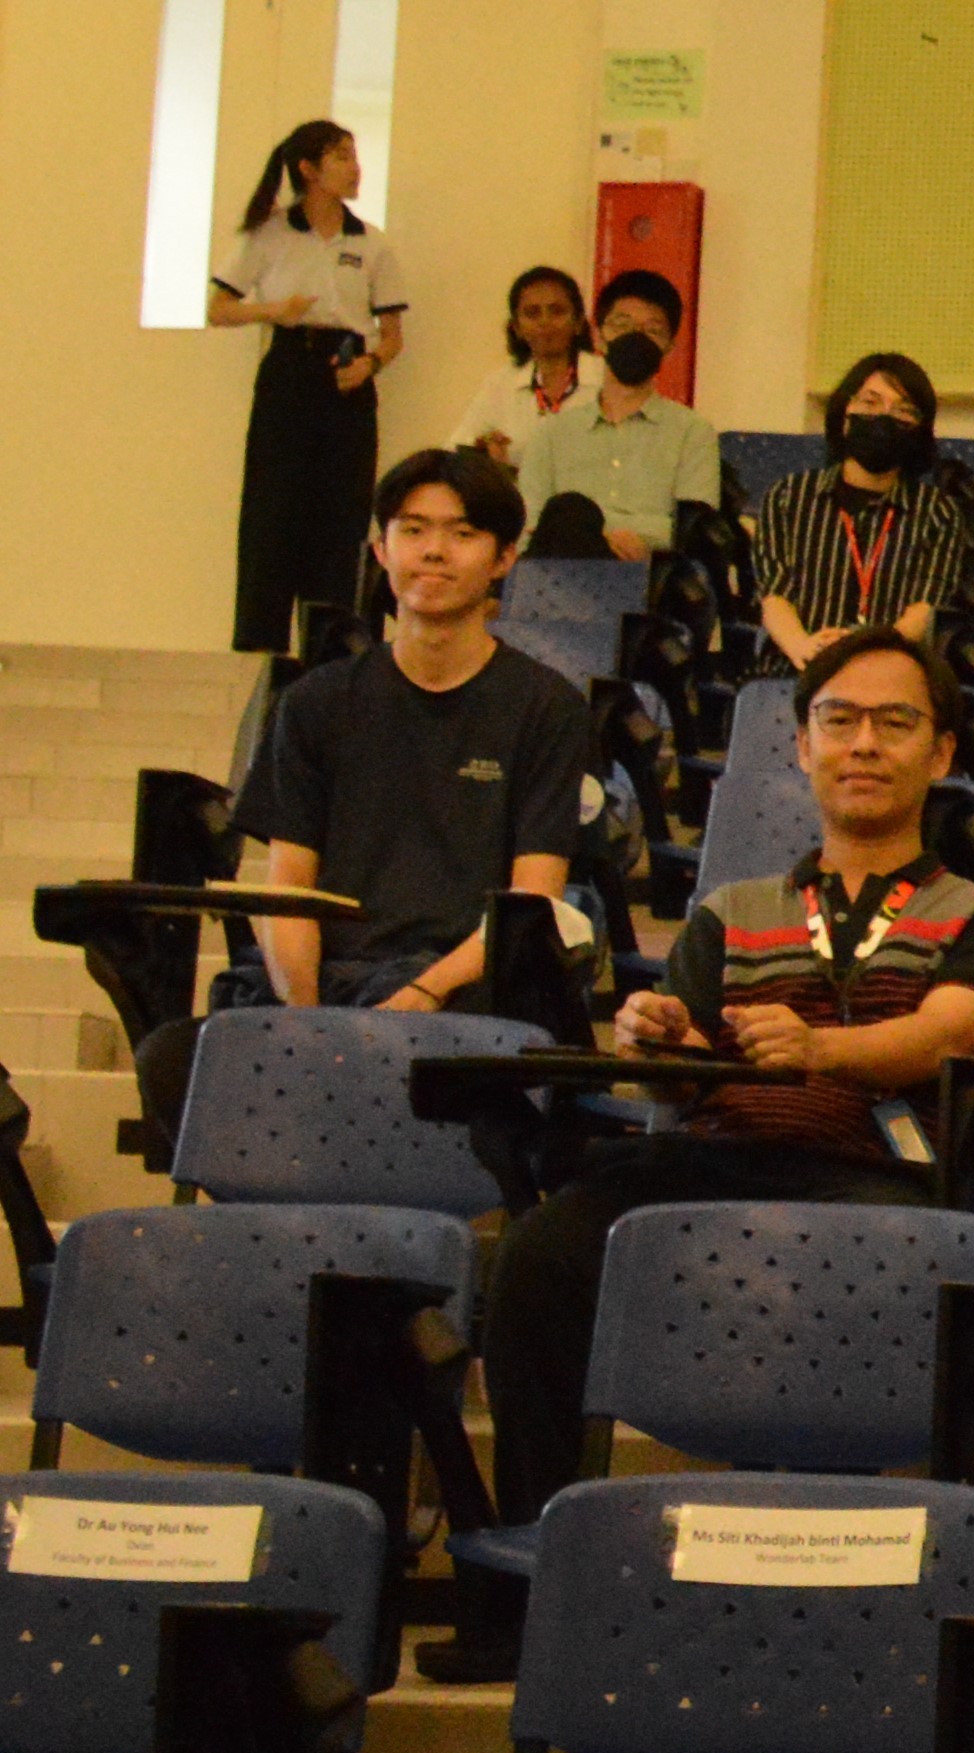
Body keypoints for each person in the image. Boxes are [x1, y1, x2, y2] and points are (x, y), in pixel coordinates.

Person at [417, 628, 974, 1684]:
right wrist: (661, 1038)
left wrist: (821, 1047)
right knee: (540, 1252)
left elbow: (949, 1030)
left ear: (939, 753)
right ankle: (522, 1590)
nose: (863, 744)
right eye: (839, 720)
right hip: (722, 1158)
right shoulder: (731, 910)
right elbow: (677, 1076)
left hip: (883, 1178)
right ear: (800, 747)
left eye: (895, 722)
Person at [133, 450, 590, 1143]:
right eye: (413, 529)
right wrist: (310, 1018)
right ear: (380, 548)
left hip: (462, 987)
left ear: (503, 557)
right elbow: (287, 889)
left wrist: (417, 997)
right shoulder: (317, 703)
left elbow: (533, 905)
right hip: (331, 985)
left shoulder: (545, 707)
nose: (434, 551)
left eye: (462, 533)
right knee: (171, 1057)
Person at [211, 120, 407, 652]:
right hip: (289, 371)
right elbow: (218, 307)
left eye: (354, 155)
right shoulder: (270, 232)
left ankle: (331, 651)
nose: (355, 167)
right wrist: (275, 309)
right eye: (341, 156)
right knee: (273, 513)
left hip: (348, 377)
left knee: (341, 516)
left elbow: (393, 337)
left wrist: (371, 364)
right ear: (308, 169)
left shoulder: (371, 243)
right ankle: (259, 651)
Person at [747, 353, 974, 676]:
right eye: (871, 403)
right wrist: (803, 646)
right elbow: (774, 595)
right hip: (794, 666)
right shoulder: (788, 497)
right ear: (844, 414)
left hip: (890, 672)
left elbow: (923, 610)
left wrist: (866, 654)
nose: (884, 417)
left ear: (919, 431)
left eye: (903, 410)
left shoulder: (937, 512)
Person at [510, 268, 722, 562]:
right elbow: (528, 527)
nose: (635, 338)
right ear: (598, 337)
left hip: (651, 581)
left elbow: (696, 531)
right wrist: (597, 536)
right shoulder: (553, 432)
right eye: (622, 325)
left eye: (652, 330)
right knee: (570, 512)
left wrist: (641, 542)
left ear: (670, 346)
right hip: (561, 576)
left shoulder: (693, 431)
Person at [444, 266, 585, 468]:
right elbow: (455, 450)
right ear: (516, 327)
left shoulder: (604, 378)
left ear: (579, 322)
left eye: (557, 311)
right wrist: (485, 452)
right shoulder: (501, 383)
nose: (545, 321)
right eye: (532, 313)